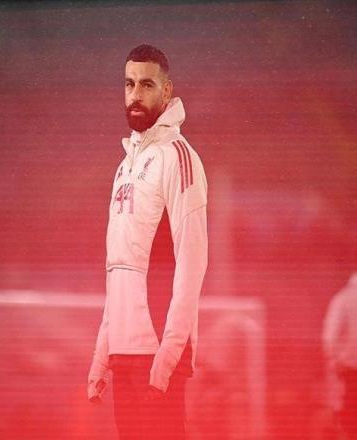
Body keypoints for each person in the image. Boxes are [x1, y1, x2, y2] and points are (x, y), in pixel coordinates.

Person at [87, 44, 208, 440]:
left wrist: (170, 353)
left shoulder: (178, 157)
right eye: (129, 84)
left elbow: (192, 261)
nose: (135, 94)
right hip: (124, 349)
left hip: (158, 350)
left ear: (167, 90)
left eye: (147, 85)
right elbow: (117, 267)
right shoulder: (124, 167)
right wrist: (102, 353)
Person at [322, 249, 357, 440]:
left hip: (351, 374)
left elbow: (329, 338)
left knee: (353, 427)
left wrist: (336, 362)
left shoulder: (343, 298)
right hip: (353, 373)